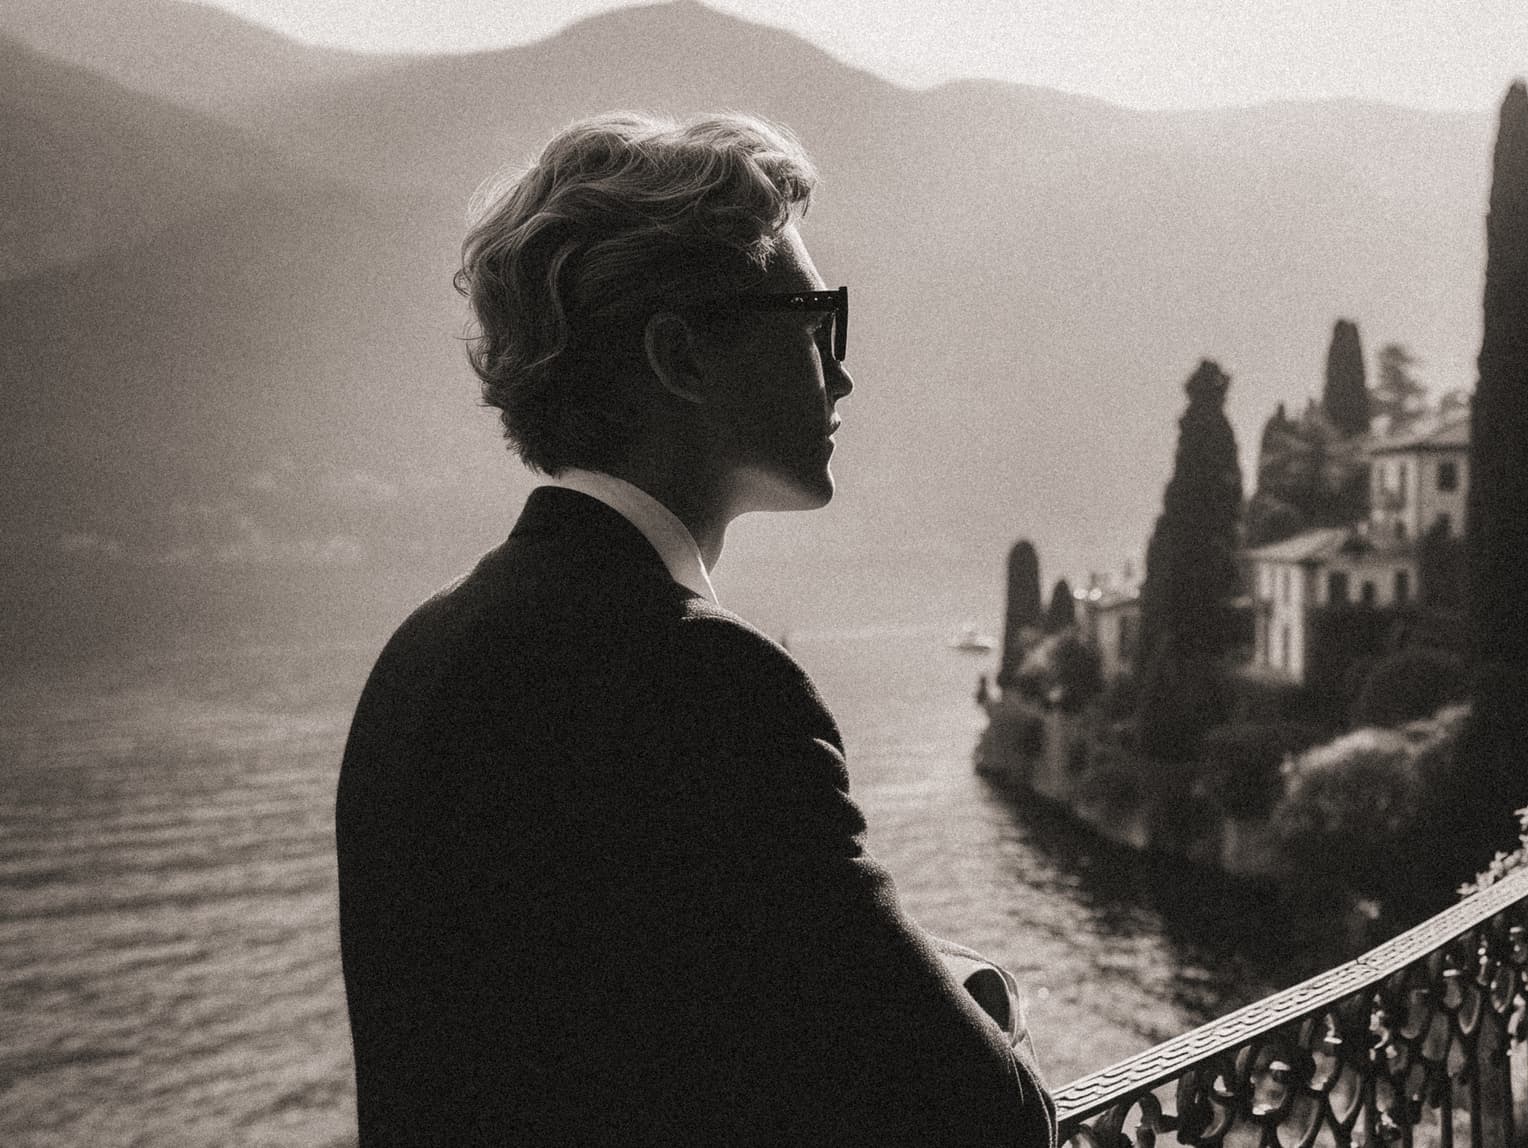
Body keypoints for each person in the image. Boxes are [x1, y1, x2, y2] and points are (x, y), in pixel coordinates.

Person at [335, 111, 1057, 1147]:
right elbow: (989, 1114)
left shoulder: (418, 654)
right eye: (815, 321)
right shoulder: (709, 681)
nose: (841, 371)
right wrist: (986, 999)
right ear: (680, 356)